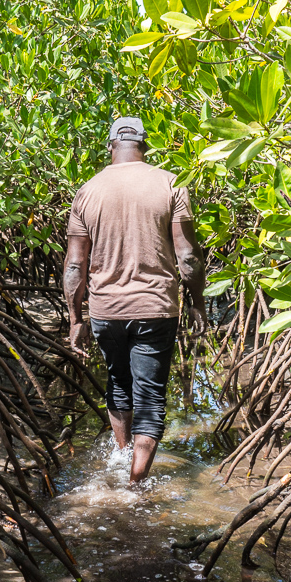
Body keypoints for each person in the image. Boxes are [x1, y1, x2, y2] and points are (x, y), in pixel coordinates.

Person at [63, 116, 207, 483]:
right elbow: (188, 256)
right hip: (155, 308)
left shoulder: (87, 190)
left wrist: (75, 320)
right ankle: (136, 481)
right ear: (145, 145)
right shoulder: (171, 183)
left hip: (105, 310)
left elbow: (75, 265)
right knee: (151, 396)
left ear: (110, 145)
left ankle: (123, 456)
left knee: (118, 381)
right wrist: (197, 303)